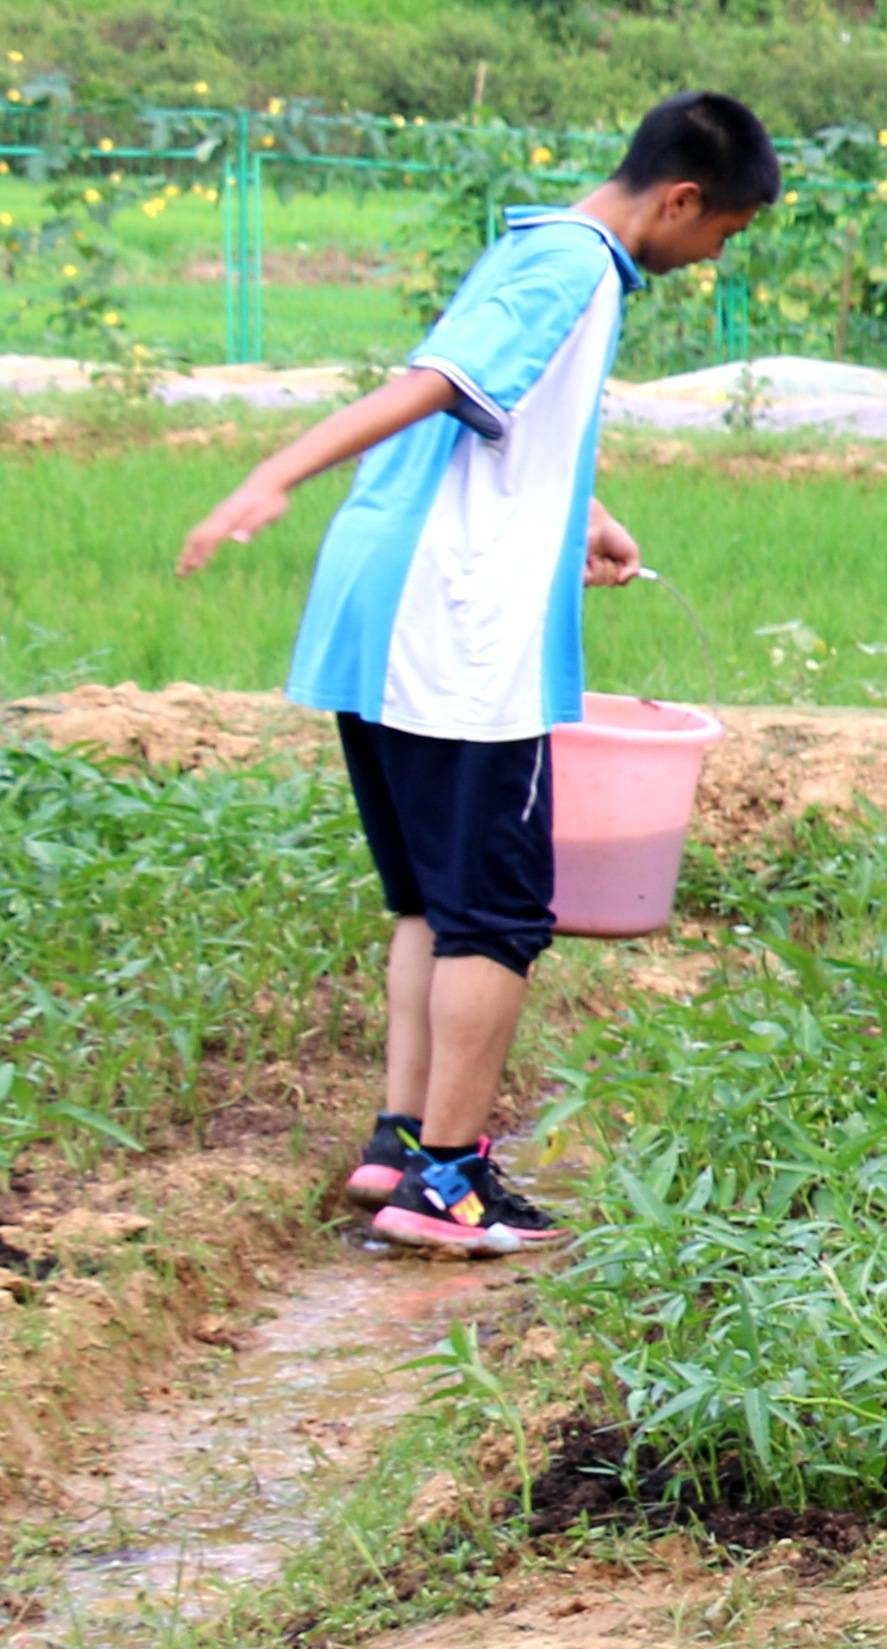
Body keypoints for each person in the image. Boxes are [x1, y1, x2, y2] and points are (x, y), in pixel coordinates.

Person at [169, 93, 782, 1255]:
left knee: (430, 903)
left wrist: (582, 512)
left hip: (381, 607)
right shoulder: (582, 271)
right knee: (499, 917)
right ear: (683, 198)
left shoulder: (533, 244)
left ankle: (401, 1145)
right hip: (454, 631)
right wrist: (274, 473)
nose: (713, 258)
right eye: (725, 234)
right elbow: (439, 388)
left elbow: (497, 413)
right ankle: (448, 1184)